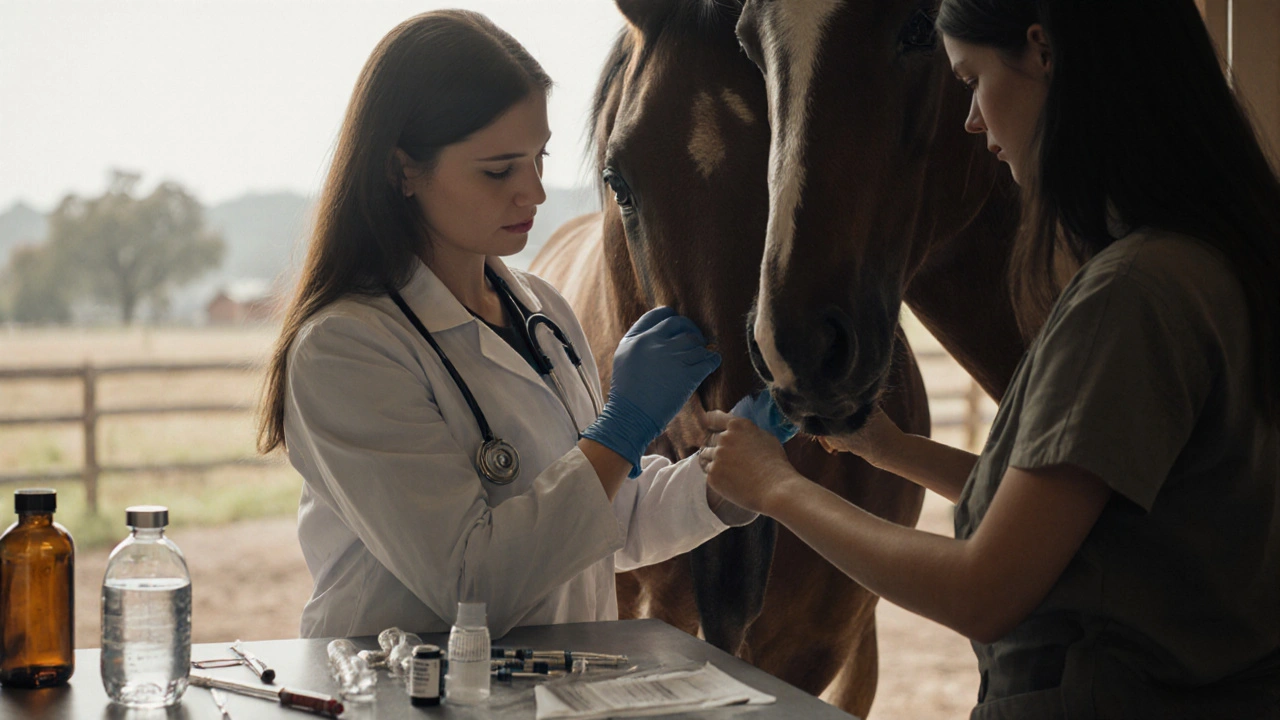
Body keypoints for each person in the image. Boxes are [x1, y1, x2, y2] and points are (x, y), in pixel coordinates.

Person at [701, 0, 1280, 716]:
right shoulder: (1205, 265)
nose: (972, 120)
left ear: (1042, 54)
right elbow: (1079, 516)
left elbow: (983, 591)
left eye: (971, 79)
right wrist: (889, 449)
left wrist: (775, 490)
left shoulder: (1129, 294)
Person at [256, 10, 765, 640]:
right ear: (402, 169)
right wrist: (624, 428)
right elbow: (473, 586)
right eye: (499, 170)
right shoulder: (345, 349)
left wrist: (733, 478)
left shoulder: (542, 312)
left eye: (539, 158)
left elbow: (608, 522)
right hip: (403, 697)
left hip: (545, 690)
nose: (535, 193)